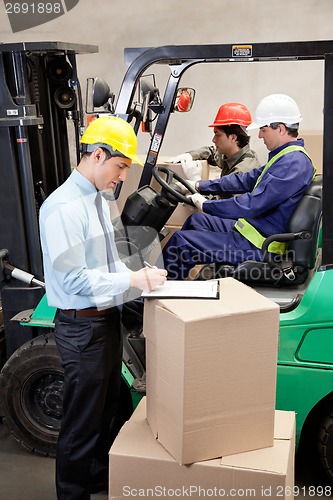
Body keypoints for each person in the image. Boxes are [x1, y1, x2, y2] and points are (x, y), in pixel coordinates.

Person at [39, 115, 167, 500]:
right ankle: (72, 492)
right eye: (120, 167)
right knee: (82, 422)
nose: (121, 177)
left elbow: (105, 260)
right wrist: (132, 282)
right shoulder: (63, 207)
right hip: (81, 328)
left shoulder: (96, 198)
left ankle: (97, 474)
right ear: (98, 155)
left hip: (104, 322)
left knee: (111, 404)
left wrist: (135, 274)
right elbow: (74, 280)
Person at [162, 94, 315, 280]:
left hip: (260, 245)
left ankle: (153, 302)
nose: (259, 135)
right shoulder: (285, 157)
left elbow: (251, 204)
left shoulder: (292, 163)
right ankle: (179, 284)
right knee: (197, 221)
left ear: (280, 129)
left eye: (263, 129)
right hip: (253, 231)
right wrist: (197, 185)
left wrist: (207, 205)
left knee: (181, 243)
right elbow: (245, 180)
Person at [170, 102, 260, 181]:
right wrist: (190, 155)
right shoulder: (231, 155)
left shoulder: (243, 171)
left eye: (218, 134)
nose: (213, 140)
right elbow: (211, 152)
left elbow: (221, 200)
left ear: (233, 138)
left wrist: (196, 181)